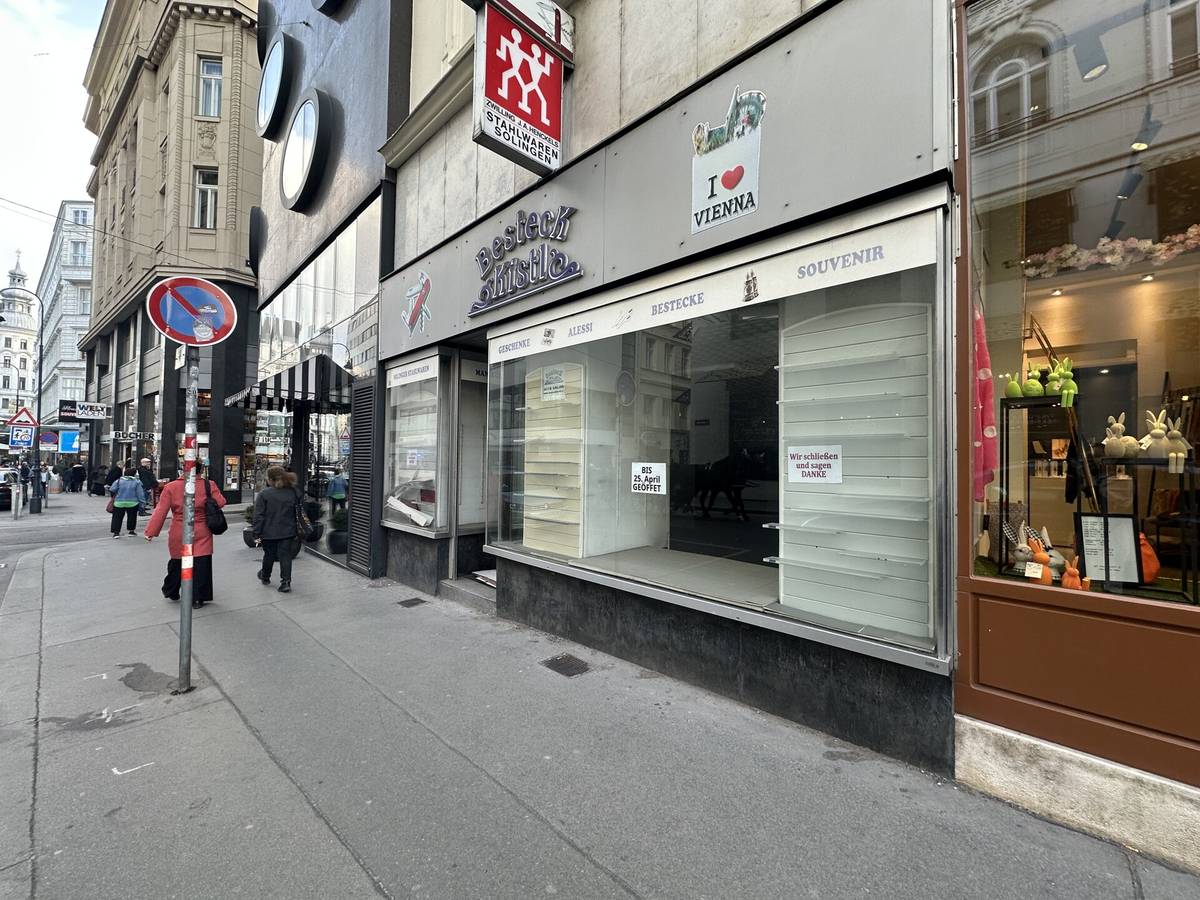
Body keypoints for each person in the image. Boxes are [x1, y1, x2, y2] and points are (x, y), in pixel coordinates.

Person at [145, 465, 227, 608]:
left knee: (178, 561)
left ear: (183, 470)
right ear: (201, 470)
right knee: (201, 562)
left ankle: (171, 589)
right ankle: (198, 597)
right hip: (202, 529)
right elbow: (221, 502)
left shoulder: (171, 487)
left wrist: (151, 531)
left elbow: (161, 511)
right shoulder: (209, 485)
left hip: (180, 529)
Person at [253, 466, 300, 593]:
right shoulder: (293, 492)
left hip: (268, 532)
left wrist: (256, 533)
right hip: (288, 531)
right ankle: (285, 582)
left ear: (270, 479)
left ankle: (265, 576)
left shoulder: (264, 494)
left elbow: (259, 516)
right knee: (286, 556)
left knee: (269, 554)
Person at [107, 464, 147, 537]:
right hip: (133, 503)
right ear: (133, 474)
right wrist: (143, 503)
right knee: (132, 517)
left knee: (117, 517)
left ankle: (116, 533)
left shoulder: (118, 481)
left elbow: (112, 489)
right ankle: (131, 531)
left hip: (119, 502)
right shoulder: (137, 482)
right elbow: (140, 494)